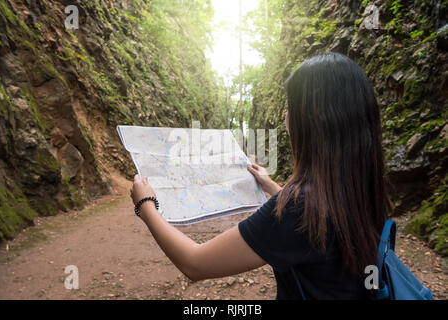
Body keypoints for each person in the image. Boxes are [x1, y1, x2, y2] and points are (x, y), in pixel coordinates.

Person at [130, 52, 392, 300]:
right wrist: (270, 186)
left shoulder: (298, 208)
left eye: (289, 108)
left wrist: (147, 206)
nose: (285, 116)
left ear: (312, 120)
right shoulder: (364, 188)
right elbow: (316, 226)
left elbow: (195, 263)